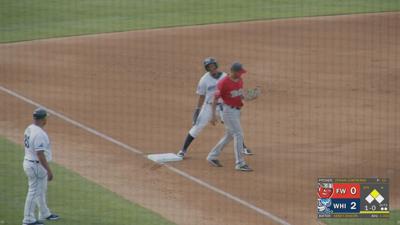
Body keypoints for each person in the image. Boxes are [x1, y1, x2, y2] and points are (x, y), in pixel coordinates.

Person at [177, 57, 253, 158]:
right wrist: (197, 110)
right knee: (197, 127)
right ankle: (183, 150)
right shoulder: (204, 80)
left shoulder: (225, 77)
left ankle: (243, 148)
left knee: (233, 127)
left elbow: (231, 91)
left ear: (216, 66)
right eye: (209, 67)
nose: (212, 68)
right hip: (208, 107)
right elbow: (201, 96)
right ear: (207, 68)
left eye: (213, 66)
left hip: (223, 106)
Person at [207, 62, 255, 171]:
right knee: (238, 134)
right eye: (239, 72)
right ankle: (240, 163)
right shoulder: (223, 82)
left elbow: (241, 95)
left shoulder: (240, 80)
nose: (241, 74)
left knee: (229, 135)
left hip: (237, 111)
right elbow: (215, 99)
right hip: (228, 111)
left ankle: (212, 156)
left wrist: (250, 96)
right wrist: (213, 116)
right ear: (233, 71)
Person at [22, 108, 59, 225]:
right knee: (33, 191)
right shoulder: (39, 134)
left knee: (41, 189)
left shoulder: (29, 128)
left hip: (30, 162)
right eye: (46, 118)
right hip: (36, 165)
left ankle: (44, 213)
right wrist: (49, 170)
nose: (46, 120)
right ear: (43, 120)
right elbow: (40, 154)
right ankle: (28, 219)